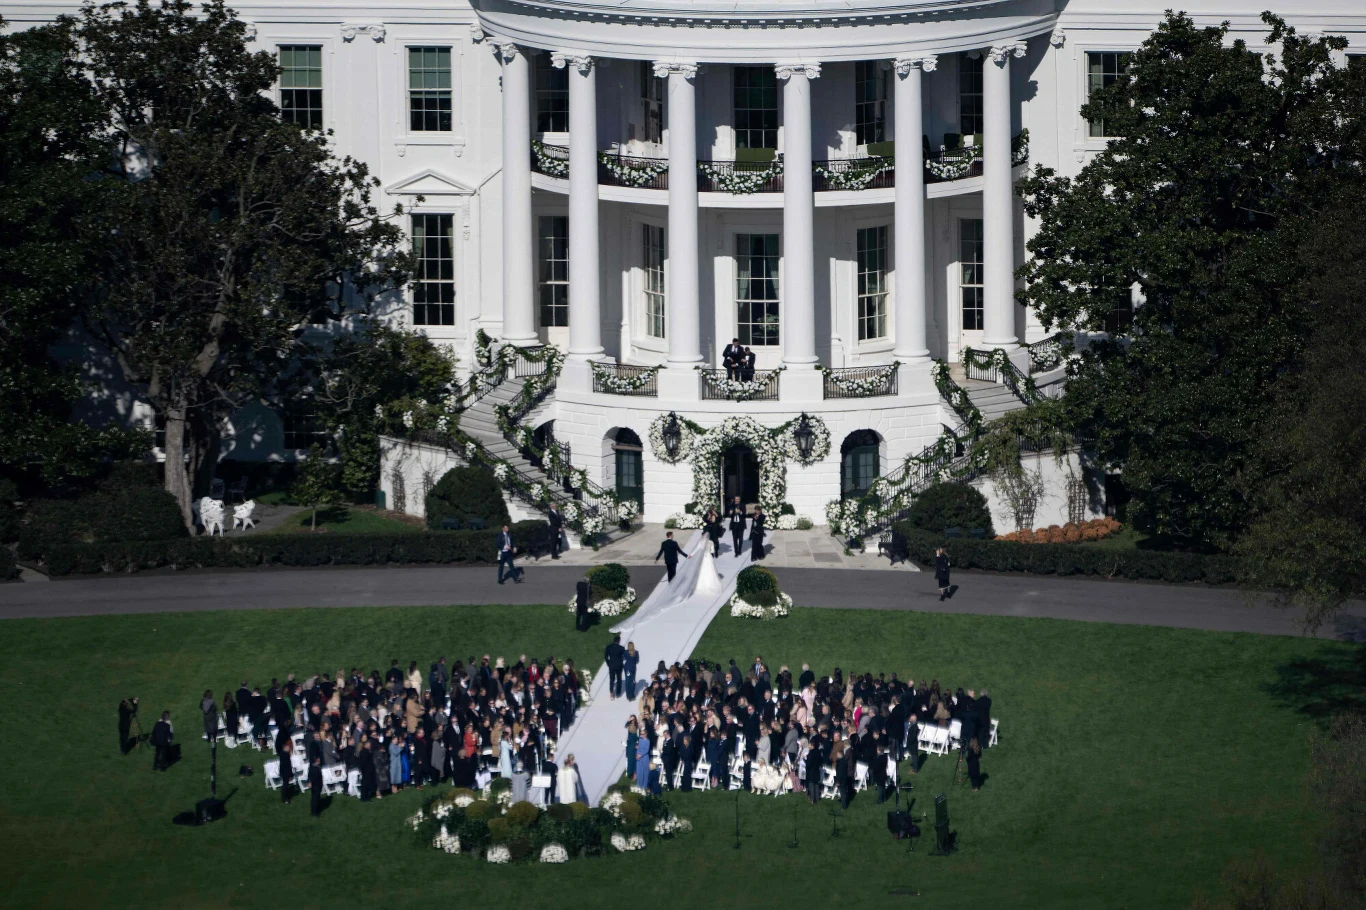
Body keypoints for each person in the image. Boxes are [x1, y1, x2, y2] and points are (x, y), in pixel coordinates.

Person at [605, 634, 626, 700]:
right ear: (619, 641)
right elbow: (624, 657)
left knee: (612, 679)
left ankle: (611, 693)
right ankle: (618, 693)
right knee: (619, 679)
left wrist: (608, 663)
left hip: (611, 665)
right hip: (619, 666)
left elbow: (606, 656)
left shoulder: (609, 647)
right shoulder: (621, 648)